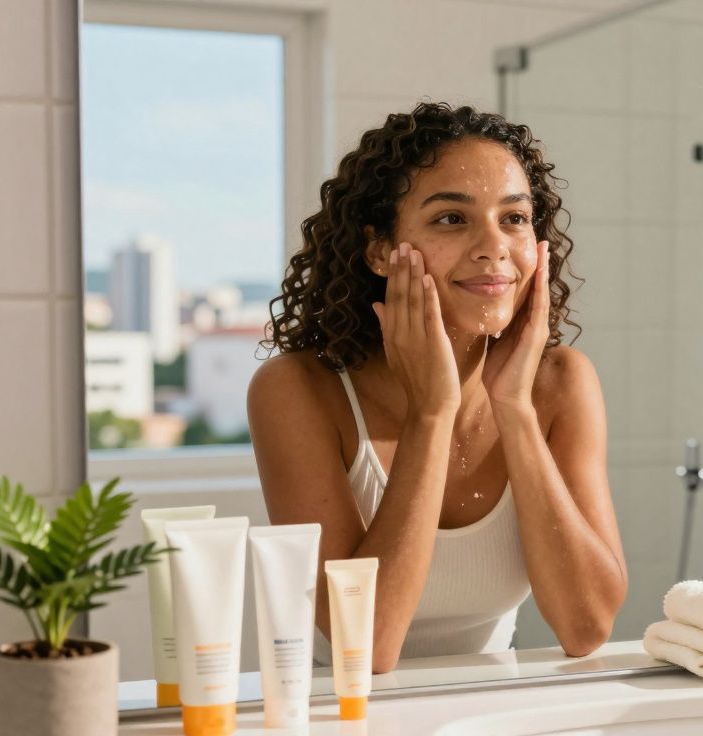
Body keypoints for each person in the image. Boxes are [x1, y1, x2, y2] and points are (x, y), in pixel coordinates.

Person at [248, 103, 627, 673]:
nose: (493, 246)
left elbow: (586, 627)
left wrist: (516, 411)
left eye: (515, 218)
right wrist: (432, 413)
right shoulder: (297, 391)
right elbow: (367, 647)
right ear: (379, 250)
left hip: (486, 712)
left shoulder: (561, 385)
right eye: (452, 218)